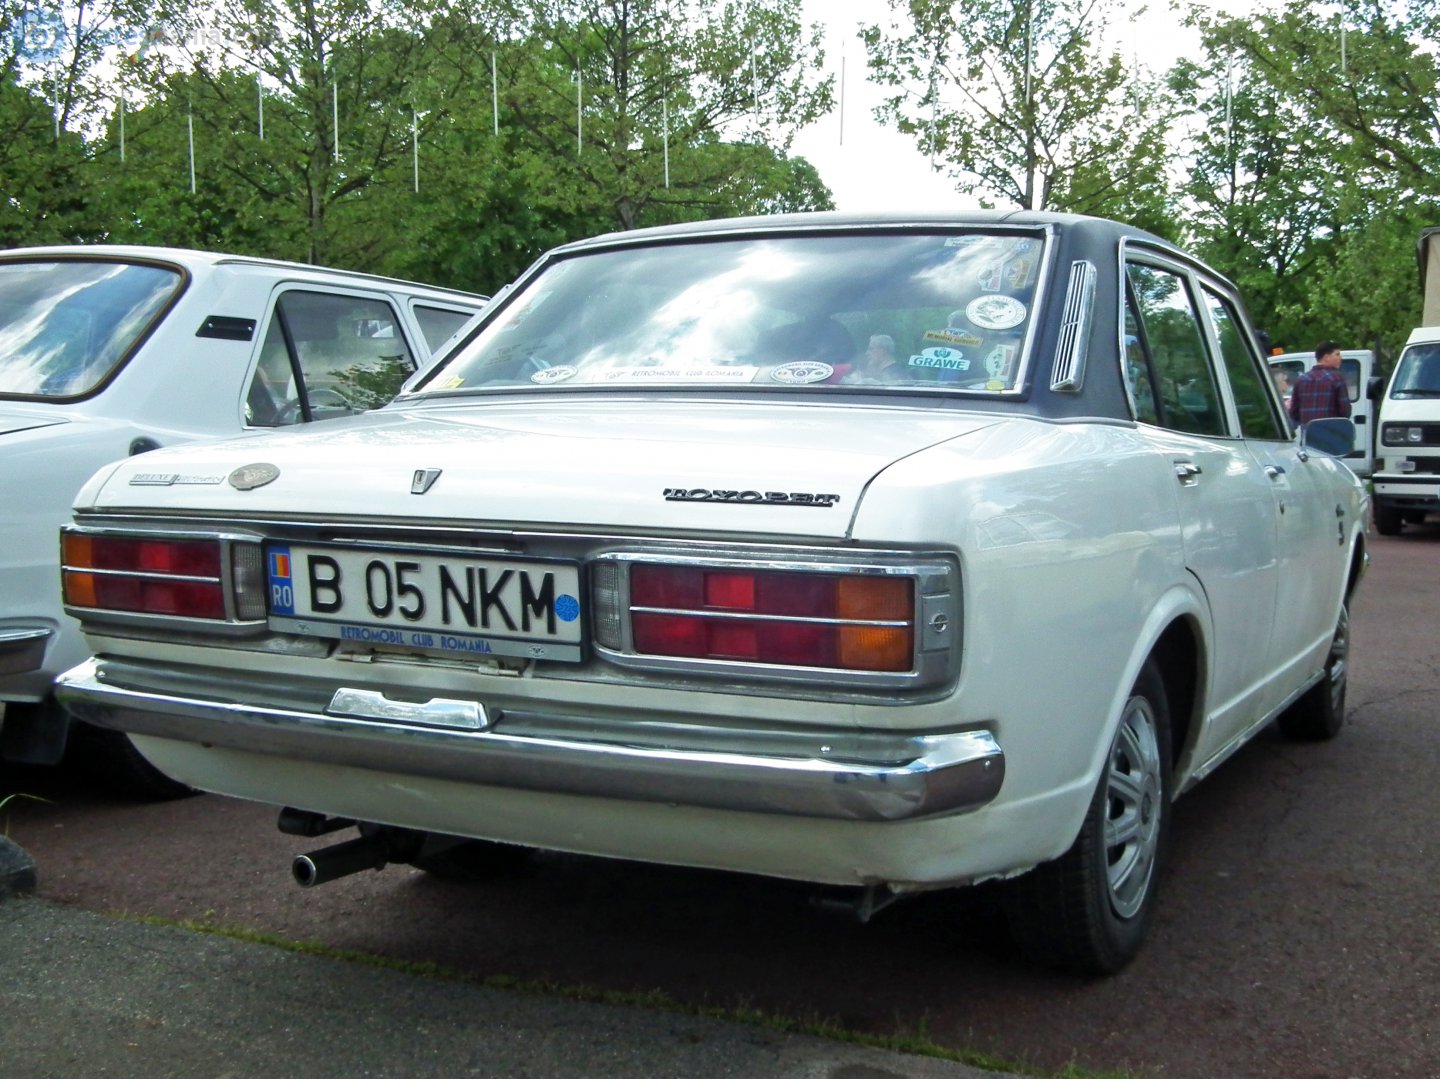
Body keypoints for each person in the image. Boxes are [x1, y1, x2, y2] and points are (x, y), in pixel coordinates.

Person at [1288, 341, 1351, 426]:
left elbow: (1294, 412)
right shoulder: (1336, 378)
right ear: (1326, 357)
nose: (1340, 358)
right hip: (1331, 433)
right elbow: (1345, 411)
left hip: (1308, 434)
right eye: (1337, 354)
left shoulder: (1300, 380)